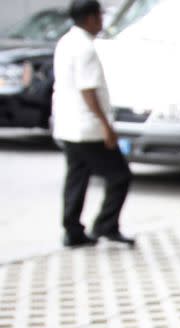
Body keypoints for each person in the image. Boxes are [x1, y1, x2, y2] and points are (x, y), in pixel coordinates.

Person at [53, 0, 135, 248]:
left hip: (68, 125)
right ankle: (106, 225)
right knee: (120, 176)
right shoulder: (85, 49)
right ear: (90, 18)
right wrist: (106, 126)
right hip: (88, 128)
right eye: (99, 16)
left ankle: (72, 230)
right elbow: (88, 91)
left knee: (77, 178)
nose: (102, 21)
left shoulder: (66, 41)